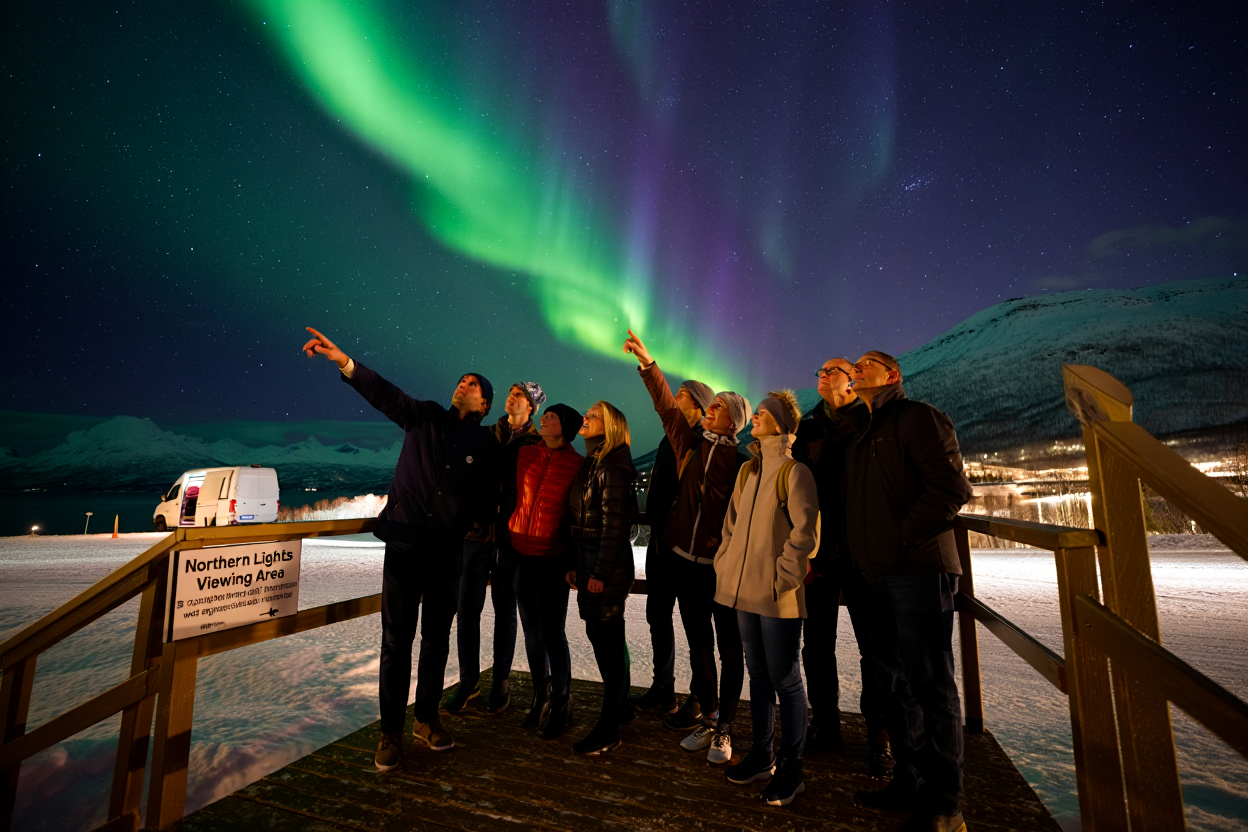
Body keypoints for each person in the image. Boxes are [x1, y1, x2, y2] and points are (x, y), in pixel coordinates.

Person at [300, 327, 499, 773]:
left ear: (484, 404)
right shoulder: (424, 415)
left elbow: (488, 498)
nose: (462, 385)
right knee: (396, 642)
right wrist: (344, 361)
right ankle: (390, 730)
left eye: (472, 385)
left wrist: (467, 525)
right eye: (461, 380)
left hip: (448, 554)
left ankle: (425, 719)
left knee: (436, 642)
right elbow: (384, 393)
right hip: (405, 546)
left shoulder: (485, 444)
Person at [840, 351, 973, 832]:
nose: (856, 367)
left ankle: (945, 806)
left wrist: (902, 534)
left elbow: (951, 489)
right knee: (893, 687)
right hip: (873, 575)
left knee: (931, 687)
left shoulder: (918, 418)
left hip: (917, 572)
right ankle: (909, 781)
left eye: (867, 363)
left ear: (892, 375)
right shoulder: (862, 431)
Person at [623, 330, 751, 764]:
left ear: (732, 419)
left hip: (719, 568)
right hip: (682, 561)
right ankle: (710, 717)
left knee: (728, 648)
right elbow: (664, 407)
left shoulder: (743, 465)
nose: (708, 409)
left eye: (717, 407)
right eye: (708, 405)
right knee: (699, 645)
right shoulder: (688, 448)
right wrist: (647, 363)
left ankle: (724, 727)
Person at [715, 390, 819, 807]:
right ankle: (763, 755)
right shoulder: (749, 472)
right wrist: (725, 564)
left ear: (779, 424)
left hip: (777, 597)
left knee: (786, 679)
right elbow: (731, 526)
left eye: (761, 414)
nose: (754, 418)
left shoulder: (794, 473)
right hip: (742, 594)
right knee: (758, 675)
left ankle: (793, 768)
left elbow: (805, 534)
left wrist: (783, 580)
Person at [792, 358, 893, 774]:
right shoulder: (808, 426)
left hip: (862, 553)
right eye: (819, 369)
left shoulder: (870, 420)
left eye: (833, 369)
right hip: (818, 553)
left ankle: (880, 737)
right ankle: (826, 725)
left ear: (852, 380)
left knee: (876, 649)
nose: (822, 373)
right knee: (815, 646)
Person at [445, 382, 545, 716]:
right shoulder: (486, 433)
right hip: (474, 535)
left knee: (506, 612)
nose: (512, 396)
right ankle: (468, 682)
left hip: (509, 540)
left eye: (520, 395)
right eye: (512, 391)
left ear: (531, 407)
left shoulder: (537, 443)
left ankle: (500, 682)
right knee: (466, 611)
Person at [629, 374, 715, 717]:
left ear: (698, 404)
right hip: (661, 548)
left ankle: (700, 697)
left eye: (682, 395)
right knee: (657, 617)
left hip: (689, 552)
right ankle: (663, 688)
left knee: (697, 626)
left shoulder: (701, 444)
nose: (674, 400)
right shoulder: (669, 441)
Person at [509, 403, 585, 739]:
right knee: (531, 630)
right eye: (546, 415)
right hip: (520, 553)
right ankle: (539, 694)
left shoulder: (577, 465)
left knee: (552, 632)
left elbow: (578, 518)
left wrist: (574, 562)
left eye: (552, 417)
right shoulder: (525, 454)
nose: (545, 419)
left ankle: (561, 701)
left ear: (566, 428)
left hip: (552, 557)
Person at [566, 401, 637, 755]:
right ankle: (620, 707)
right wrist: (577, 563)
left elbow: (614, 526)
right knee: (604, 639)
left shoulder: (614, 464)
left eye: (594, 415)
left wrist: (600, 573)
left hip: (606, 569)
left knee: (607, 646)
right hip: (590, 562)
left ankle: (609, 728)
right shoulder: (592, 462)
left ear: (609, 427)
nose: (586, 418)